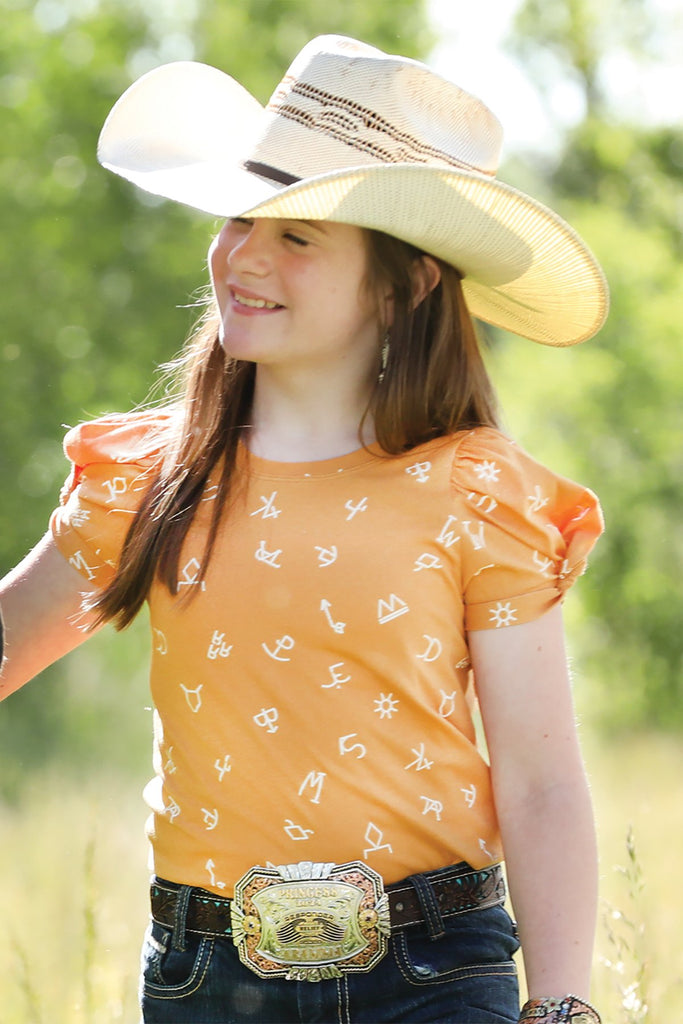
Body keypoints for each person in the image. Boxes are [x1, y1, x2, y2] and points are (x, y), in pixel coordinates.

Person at [0, 34, 608, 1024]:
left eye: (299, 237)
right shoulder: (153, 479)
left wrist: (560, 1005)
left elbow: (539, 782)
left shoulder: (476, 493)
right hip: (207, 981)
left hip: (433, 976)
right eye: (241, 218)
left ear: (403, 284)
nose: (244, 256)